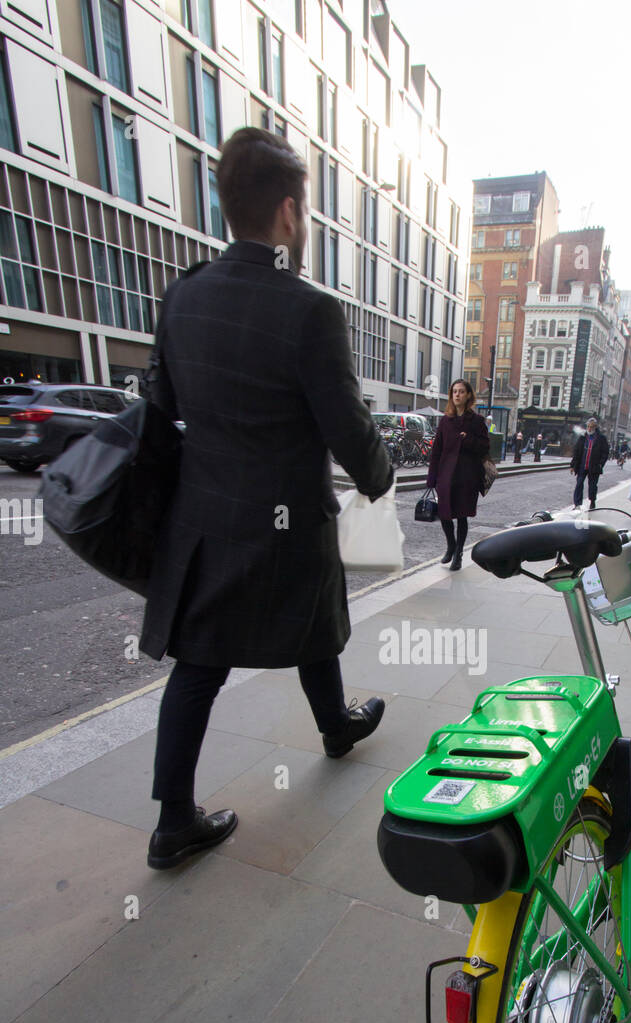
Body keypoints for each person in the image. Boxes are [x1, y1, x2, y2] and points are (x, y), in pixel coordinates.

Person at [140, 128, 393, 871]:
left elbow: (163, 405)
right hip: (288, 524)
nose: (306, 224)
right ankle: (336, 727)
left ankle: (174, 820)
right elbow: (346, 425)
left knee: (199, 666)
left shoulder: (183, 296)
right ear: (288, 213)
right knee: (316, 617)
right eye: (306, 211)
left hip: (208, 523)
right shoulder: (307, 309)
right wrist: (381, 479)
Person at [425, 379, 489, 571]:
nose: (457, 395)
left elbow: (485, 447)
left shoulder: (477, 421)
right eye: (455, 392)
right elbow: (436, 451)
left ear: (468, 395)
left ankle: (459, 553)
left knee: (461, 516)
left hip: (467, 476)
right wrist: (432, 477)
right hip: (446, 475)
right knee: (445, 514)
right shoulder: (445, 421)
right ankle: (451, 545)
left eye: (461, 392)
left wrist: (467, 439)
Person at [570, 417, 609, 509]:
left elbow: (605, 452)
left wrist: (600, 464)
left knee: (592, 486)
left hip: (594, 466)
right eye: (588, 426)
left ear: (595, 427)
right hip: (582, 465)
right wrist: (573, 465)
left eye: (591, 427)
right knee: (579, 483)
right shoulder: (583, 437)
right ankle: (577, 504)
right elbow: (576, 451)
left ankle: (592, 501)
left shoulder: (601, 438)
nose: (589, 429)